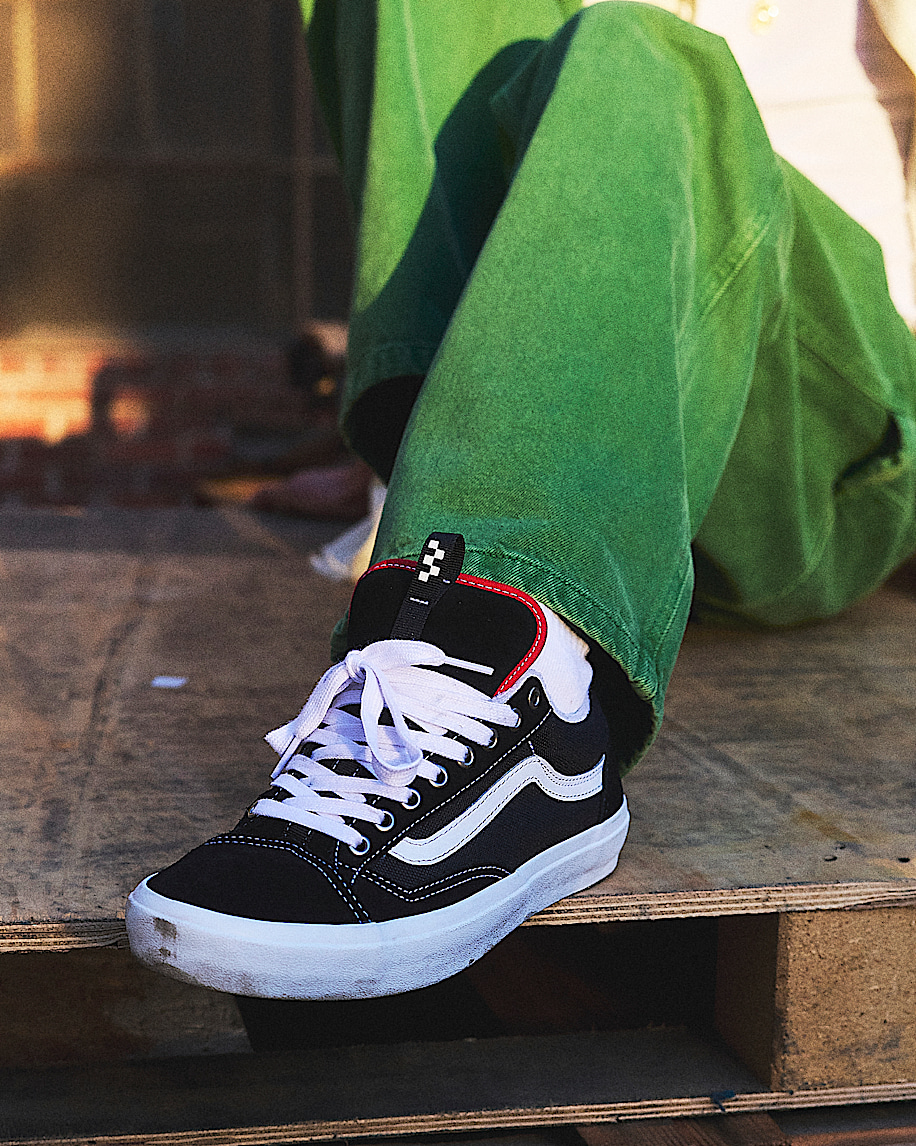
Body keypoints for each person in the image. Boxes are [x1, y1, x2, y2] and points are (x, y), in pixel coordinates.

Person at [125, 0, 916, 1000]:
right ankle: (457, 539)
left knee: (641, 53)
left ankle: (508, 659)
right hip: (608, 473)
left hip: (822, 424)